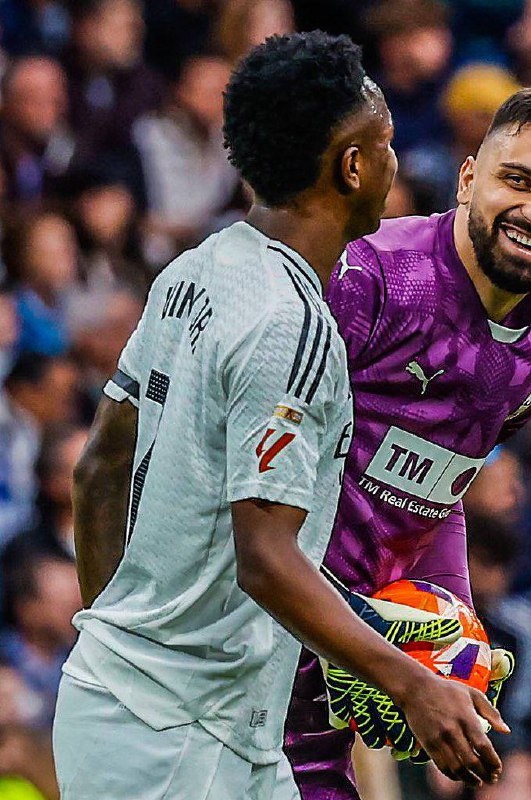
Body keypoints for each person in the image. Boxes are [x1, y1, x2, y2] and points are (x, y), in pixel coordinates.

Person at [51, 32, 507, 800]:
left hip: (195, 723)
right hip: (173, 738)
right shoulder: (288, 322)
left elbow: (100, 469)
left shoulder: (195, 269)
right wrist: (410, 684)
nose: (396, 164)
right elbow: (265, 556)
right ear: (352, 167)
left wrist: (121, 639)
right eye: (386, 144)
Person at [283, 86, 531, 799]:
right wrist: (378, 650)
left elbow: (438, 491)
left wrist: (455, 627)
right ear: (468, 179)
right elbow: (244, 487)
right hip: (240, 650)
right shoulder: (368, 278)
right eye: (518, 180)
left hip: (331, 692)